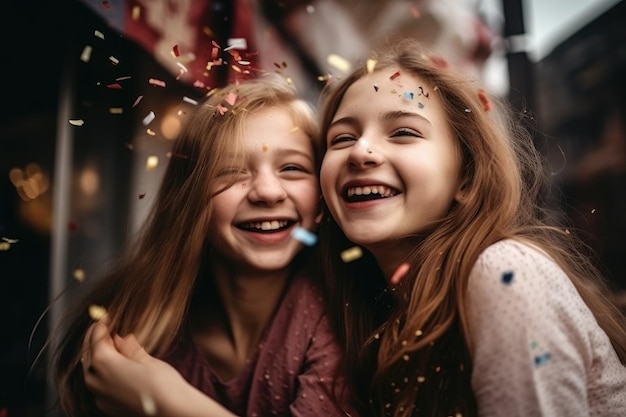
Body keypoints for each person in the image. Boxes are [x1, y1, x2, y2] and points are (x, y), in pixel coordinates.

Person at [316, 38, 626, 417]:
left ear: (466, 178)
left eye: (404, 132)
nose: (360, 152)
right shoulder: (369, 314)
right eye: (342, 138)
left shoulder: (506, 272)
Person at [49, 74, 357, 417]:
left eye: (292, 168)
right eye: (232, 171)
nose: (268, 192)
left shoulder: (342, 316)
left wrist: (165, 401)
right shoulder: (134, 322)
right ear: (191, 202)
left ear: (319, 204)